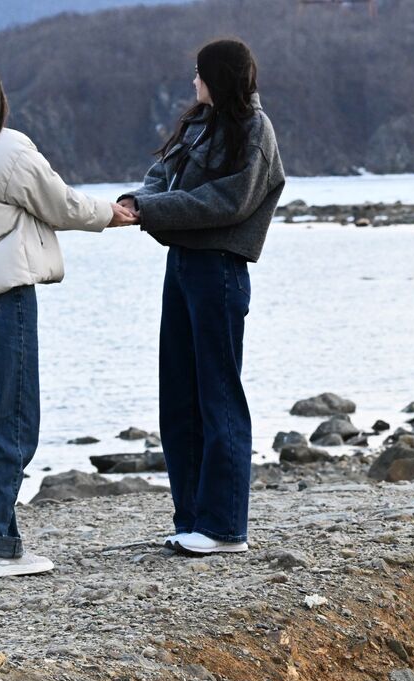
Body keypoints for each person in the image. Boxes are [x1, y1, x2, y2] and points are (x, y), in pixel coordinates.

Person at [0, 51, 136, 581]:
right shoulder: (6, 149)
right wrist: (113, 214)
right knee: (10, 422)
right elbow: (59, 204)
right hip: (1, 297)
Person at [119, 39, 286, 557]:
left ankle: (225, 527)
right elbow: (160, 176)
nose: (193, 81)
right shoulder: (197, 122)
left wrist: (151, 209)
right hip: (183, 266)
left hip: (220, 270)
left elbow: (228, 201)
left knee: (219, 397)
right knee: (179, 396)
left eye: (199, 74)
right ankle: (191, 518)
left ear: (219, 76)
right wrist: (138, 200)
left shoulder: (256, 131)